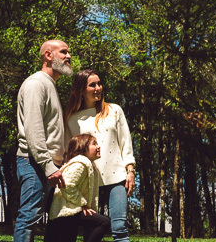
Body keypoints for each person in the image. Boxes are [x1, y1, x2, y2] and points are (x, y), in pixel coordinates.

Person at [64, 70, 135, 242]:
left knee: (119, 228)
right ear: (81, 89)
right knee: (92, 232)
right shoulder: (72, 118)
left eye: (99, 83)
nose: (98, 88)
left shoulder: (114, 110)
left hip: (116, 176)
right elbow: (69, 152)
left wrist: (130, 170)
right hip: (87, 180)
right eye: (92, 85)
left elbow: (125, 141)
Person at [14, 39, 72, 242]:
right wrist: (48, 166)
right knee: (29, 218)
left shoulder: (50, 85)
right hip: (33, 163)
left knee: (58, 221)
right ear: (48, 55)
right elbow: (33, 129)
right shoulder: (35, 84)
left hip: (47, 165)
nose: (69, 56)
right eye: (63, 52)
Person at [46, 133, 111, 242]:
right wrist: (83, 204)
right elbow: (67, 185)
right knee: (104, 222)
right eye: (94, 144)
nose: (98, 146)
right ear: (83, 147)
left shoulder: (86, 164)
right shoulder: (80, 164)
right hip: (66, 211)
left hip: (69, 211)